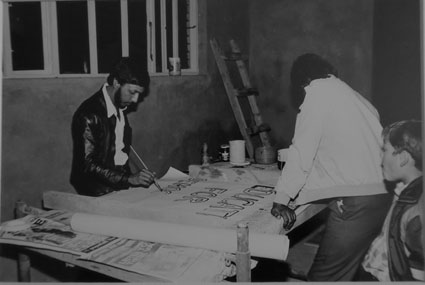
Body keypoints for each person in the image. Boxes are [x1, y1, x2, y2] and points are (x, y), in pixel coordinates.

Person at [270, 53, 393, 281]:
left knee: (324, 278)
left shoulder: (317, 94)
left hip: (357, 202)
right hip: (382, 194)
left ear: (304, 80)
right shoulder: (354, 97)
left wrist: (282, 197)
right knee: (346, 273)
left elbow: (301, 151)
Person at [70, 57, 156, 196]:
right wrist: (129, 179)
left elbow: (119, 155)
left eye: (138, 94)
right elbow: (88, 165)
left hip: (118, 187)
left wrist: (131, 180)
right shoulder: (89, 114)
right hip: (95, 191)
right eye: (132, 92)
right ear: (116, 83)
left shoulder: (119, 109)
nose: (135, 100)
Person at [355, 120, 423, 281]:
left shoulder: (416, 209)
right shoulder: (403, 189)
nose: (380, 157)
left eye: (384, 150)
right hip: (376, 270)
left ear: (403, 158)